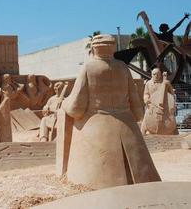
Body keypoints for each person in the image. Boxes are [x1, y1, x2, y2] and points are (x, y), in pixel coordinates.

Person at [60, 34, 161, 189]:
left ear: (94, 48)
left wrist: (64, 104)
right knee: (145, 180)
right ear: (113, 47)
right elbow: (136, 106)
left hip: (97, 131)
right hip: (128, 128)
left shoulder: (88, 68)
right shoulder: (123, 67)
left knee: (92, 183)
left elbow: (76, 109)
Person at [141, 68, 176, 135]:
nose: (156, 76)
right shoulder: (148, 83)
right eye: (154, 74)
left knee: (170, 121)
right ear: (151, 75)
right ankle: (143, 133)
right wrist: (146, 99)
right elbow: (146, 94)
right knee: (146, 119)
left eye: (158, 74)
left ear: (160, 75)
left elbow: (172, 94)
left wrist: (169, 85)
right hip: (152, 106)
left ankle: (172, 132)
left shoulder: (164, 83)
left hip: (164, 107)